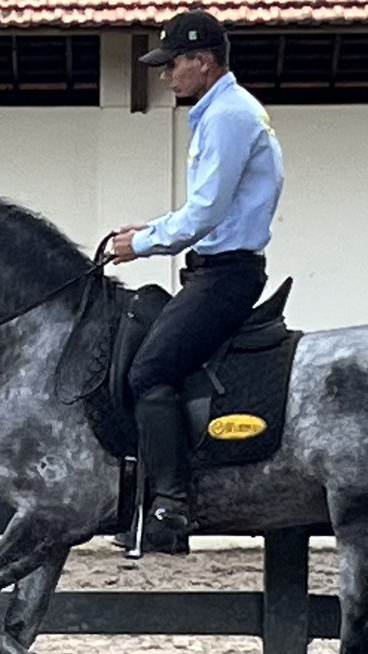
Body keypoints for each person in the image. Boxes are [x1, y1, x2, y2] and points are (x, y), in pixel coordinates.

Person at [111, 8, 284, 554]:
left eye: (172, 65)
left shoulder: (229, 116)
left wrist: (140, 243)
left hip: (225, 273)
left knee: (150, 370)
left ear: (202, 62)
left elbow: (205, 213)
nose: (166, 77)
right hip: (214, 268)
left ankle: (171, 503)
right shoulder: (220, 112)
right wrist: (149, 229)